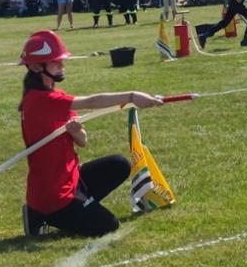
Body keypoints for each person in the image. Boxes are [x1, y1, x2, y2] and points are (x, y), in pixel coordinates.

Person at [17, 31, 163, 237]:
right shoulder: (37, 100)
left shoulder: (56, 96)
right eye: (55, 62)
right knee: (108, 225)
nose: (61, 65)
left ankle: (76, 206)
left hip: (71, 179)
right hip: (53, 196)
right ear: (34, 66)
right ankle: (41, 215)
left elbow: (83, 141)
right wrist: (131, 96)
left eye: (61, 60)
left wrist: (77, 132)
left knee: (119, 164)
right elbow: (91, 102)